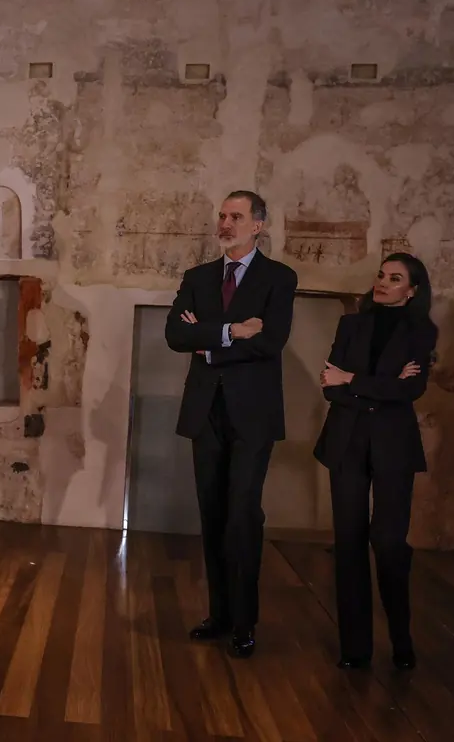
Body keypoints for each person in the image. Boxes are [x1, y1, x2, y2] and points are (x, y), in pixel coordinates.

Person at [165, 190, 298, 658]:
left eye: (236, 217)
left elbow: (272, 341)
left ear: (258, 225)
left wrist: (208, 341)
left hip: (253, 415)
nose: (225, 223)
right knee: (214, 514)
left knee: (242, 515)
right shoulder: (198, 277)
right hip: (206, 413)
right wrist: (232, 330)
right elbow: (174, 334)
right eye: (222, 216)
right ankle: (219, 615)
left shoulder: (279, 278)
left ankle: (244, 621)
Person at [314, 252, 437, 671]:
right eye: (381, 275)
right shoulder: (351, 324)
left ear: (412, 290)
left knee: (387, 543)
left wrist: (351, 380)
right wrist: (377, 385)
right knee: (348, 545)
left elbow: (410, 390)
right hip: (345, 442)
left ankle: (401, 638)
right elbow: (328, 387)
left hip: (393, 447)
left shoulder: (422, 330)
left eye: (395, 278)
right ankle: (356, 649)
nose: (383, 283)